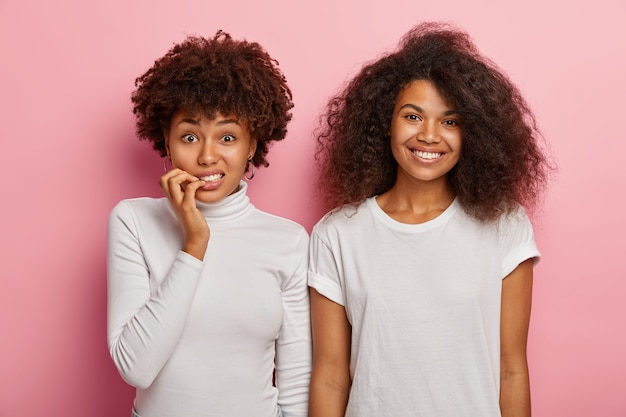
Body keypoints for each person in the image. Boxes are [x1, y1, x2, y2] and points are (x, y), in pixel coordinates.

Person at [308, 22, 553, 417]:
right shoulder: (338, 234)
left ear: (472, 133)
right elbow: (331, 376)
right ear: (384, 122)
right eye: (412, 116)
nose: (430, 135)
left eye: (451, 121)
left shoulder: (505, 224)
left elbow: (511, 370)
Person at [107, 31, 311, 417]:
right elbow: (136, 367)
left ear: (252, 145)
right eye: (189, 136)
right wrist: (194, 242)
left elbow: (296, 379)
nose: (207, 155)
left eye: (228, 137)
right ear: (166, 142)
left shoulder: (288, 241)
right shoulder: (133, 221)